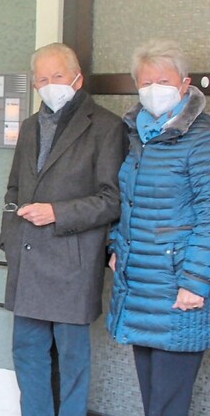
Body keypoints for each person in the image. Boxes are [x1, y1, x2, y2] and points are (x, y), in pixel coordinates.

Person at [0, 43, 126, 416]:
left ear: (77, 78)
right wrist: (9, 235)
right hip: (27, 256)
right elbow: (12, 190)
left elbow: (111, 199)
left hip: (73, 259)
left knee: (72, 361)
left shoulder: (106, 127)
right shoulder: (28, 127)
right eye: (42, 79)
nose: (50, 84)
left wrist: (57, 212)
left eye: (57, 76)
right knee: (27, 352)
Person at [105, 39, 210, 416]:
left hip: (178, 285)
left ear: (184, 84)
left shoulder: (202, 138)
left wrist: (196, 281)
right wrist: (116, 249)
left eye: (162, 81)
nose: (153, 90)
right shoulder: (137, 135)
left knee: (168, 402)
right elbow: (128, 202)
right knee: (153, 398)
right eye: (145, 82)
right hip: (139, 282)